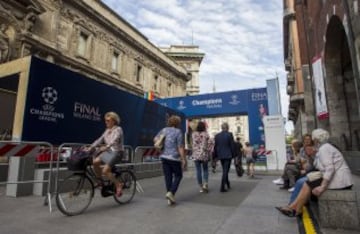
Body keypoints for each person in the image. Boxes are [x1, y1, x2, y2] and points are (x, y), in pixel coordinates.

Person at [276, 128, 353, 217]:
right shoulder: (324, 147)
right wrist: (313, 155)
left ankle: (293, 208)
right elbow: (319, 165)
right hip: (337, 178)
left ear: (316, 139)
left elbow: (330, 168)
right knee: (308, 182)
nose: (312, 140)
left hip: (339, 180)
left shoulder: (324, 148)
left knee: (308, 183)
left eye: (312, 138)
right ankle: (295, 208)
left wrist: (322, 186)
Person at [88, 111, 124, 197]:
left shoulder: (118, 129)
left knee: (105, 170)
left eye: (108, 120)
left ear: (114, 121)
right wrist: (91, 147)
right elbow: (99, 139)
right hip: (109, 152)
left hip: (117, 152)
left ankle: (118, 185)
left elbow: (115, 140)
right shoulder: (107, 131)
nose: (106, 122)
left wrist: (106, 147)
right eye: (105, 120)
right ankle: (100, 182)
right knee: (95, 162)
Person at [154, 115, 187, 205]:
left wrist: (161, 145)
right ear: (178, 123)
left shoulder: (164, 130)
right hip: (174, 158)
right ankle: (171, 192)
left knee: (168, 177)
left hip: (164, 157)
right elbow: (180, 147)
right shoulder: (178, 132)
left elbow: (155, 139)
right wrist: (183, 159)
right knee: (178, 175)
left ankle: (170, 199)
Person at [213, 122, 235, 192]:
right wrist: (234, 156)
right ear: (227, 128)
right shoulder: (230, 134)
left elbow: (215, 147)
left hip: (221, 155)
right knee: (225, 171)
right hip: (228, 155)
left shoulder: (217, 136)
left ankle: (227, 183)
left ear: (222, 128)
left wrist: (215, 156)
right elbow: (232, 146)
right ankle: (222, 187)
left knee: (225, 170)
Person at [191, 121, 210, 193]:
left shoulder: (193, 134)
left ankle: (201, 187)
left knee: (198, 171)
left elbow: (192, 143)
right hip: (204, 154)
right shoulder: (206, 134)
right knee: (205, 169)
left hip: (196, 155)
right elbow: (209, 143)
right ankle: (205, 184)